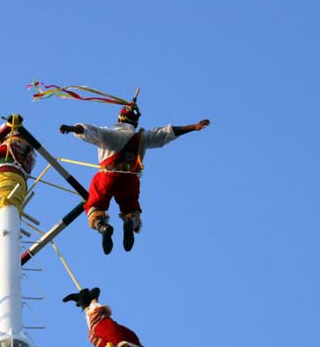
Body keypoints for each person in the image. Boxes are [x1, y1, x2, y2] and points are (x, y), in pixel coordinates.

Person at [59, 104, 209, 254]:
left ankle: (102, 226)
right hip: (130, 180)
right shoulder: (141, 138)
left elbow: (87, 130)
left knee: (95, 203)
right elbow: (165, 133)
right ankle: (130, 221)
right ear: (135, 123)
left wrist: (71, 128)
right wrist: (193, 127)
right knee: (130, 206)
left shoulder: (108, 134)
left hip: (107, 176)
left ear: (119, 119)